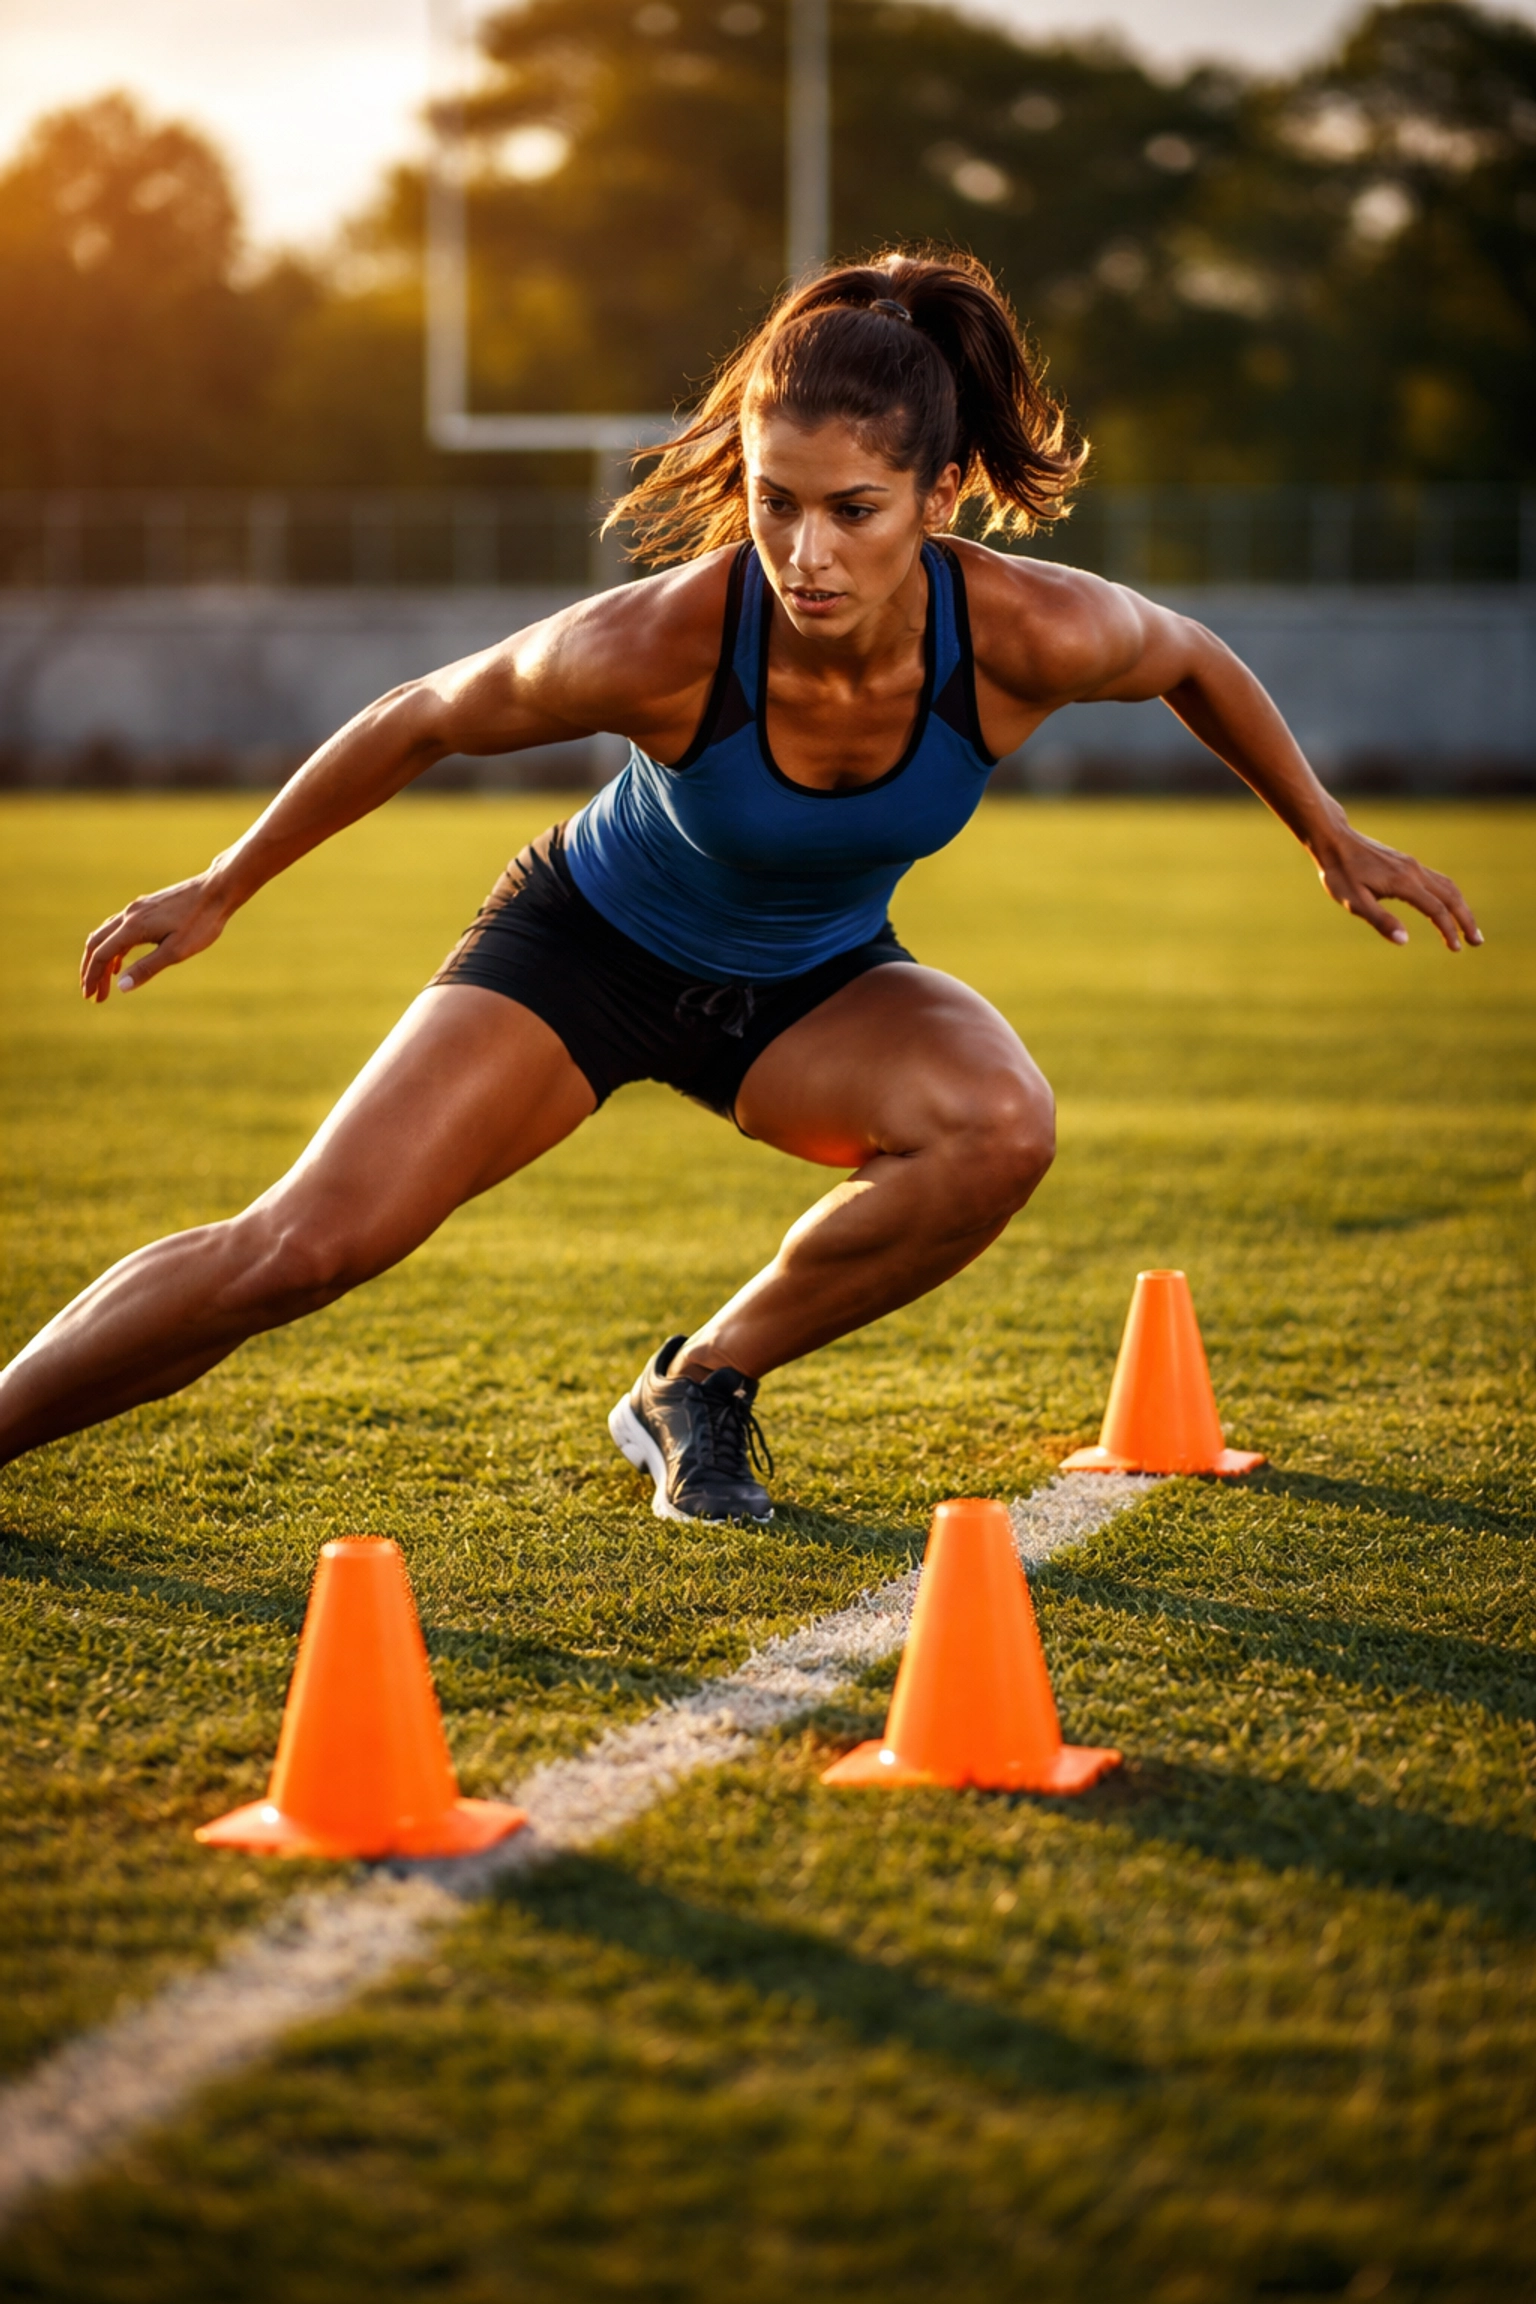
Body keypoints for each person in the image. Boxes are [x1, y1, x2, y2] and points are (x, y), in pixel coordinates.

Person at [0, 251, 1480, 1521]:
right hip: (582, 952)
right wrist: (223, 883)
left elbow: (1197, 662)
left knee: (1000, 1127)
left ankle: (697, 1383)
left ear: (942, 492)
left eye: (854, 509)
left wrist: (1325, 832)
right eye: (775, 502)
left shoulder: (1029, 630)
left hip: (809, 984)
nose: (804, 551)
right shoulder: (663, 639)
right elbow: (424, 714)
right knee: (300, 1249)